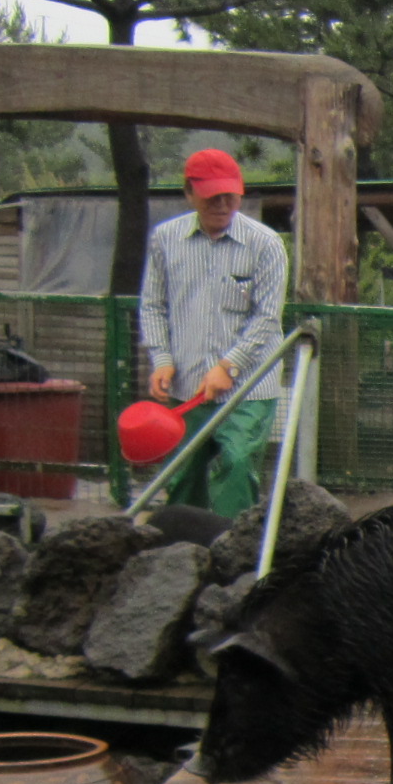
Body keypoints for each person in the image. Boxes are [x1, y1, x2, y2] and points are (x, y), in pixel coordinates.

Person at [139, 148, 288, 518]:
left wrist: (230, 365)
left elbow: (268, 316)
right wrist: (162, 360)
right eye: (212, 196)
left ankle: (232, 557)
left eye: (231, 195)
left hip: (248, 388)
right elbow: (152, 305)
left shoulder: (266, 244)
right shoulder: (165, 239)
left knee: (236, 465)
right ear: (189, 193)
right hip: (187, 386)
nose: (223, 204)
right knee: (182, 475)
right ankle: (177, 554)